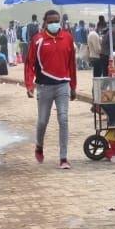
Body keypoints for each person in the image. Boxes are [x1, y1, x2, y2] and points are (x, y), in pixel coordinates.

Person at [25, 9, 77, 169]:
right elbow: (29, 63)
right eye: (51, 21)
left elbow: (72, 64)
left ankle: (63, 158)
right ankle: (39, 146)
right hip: (44, 86)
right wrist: (29, 84)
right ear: (45, 23)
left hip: (63, 85)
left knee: (63, 119)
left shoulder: (67, 38)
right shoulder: (38, 40)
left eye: (56, 21)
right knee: (42, 121)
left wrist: (73, 86)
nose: (54, 24)